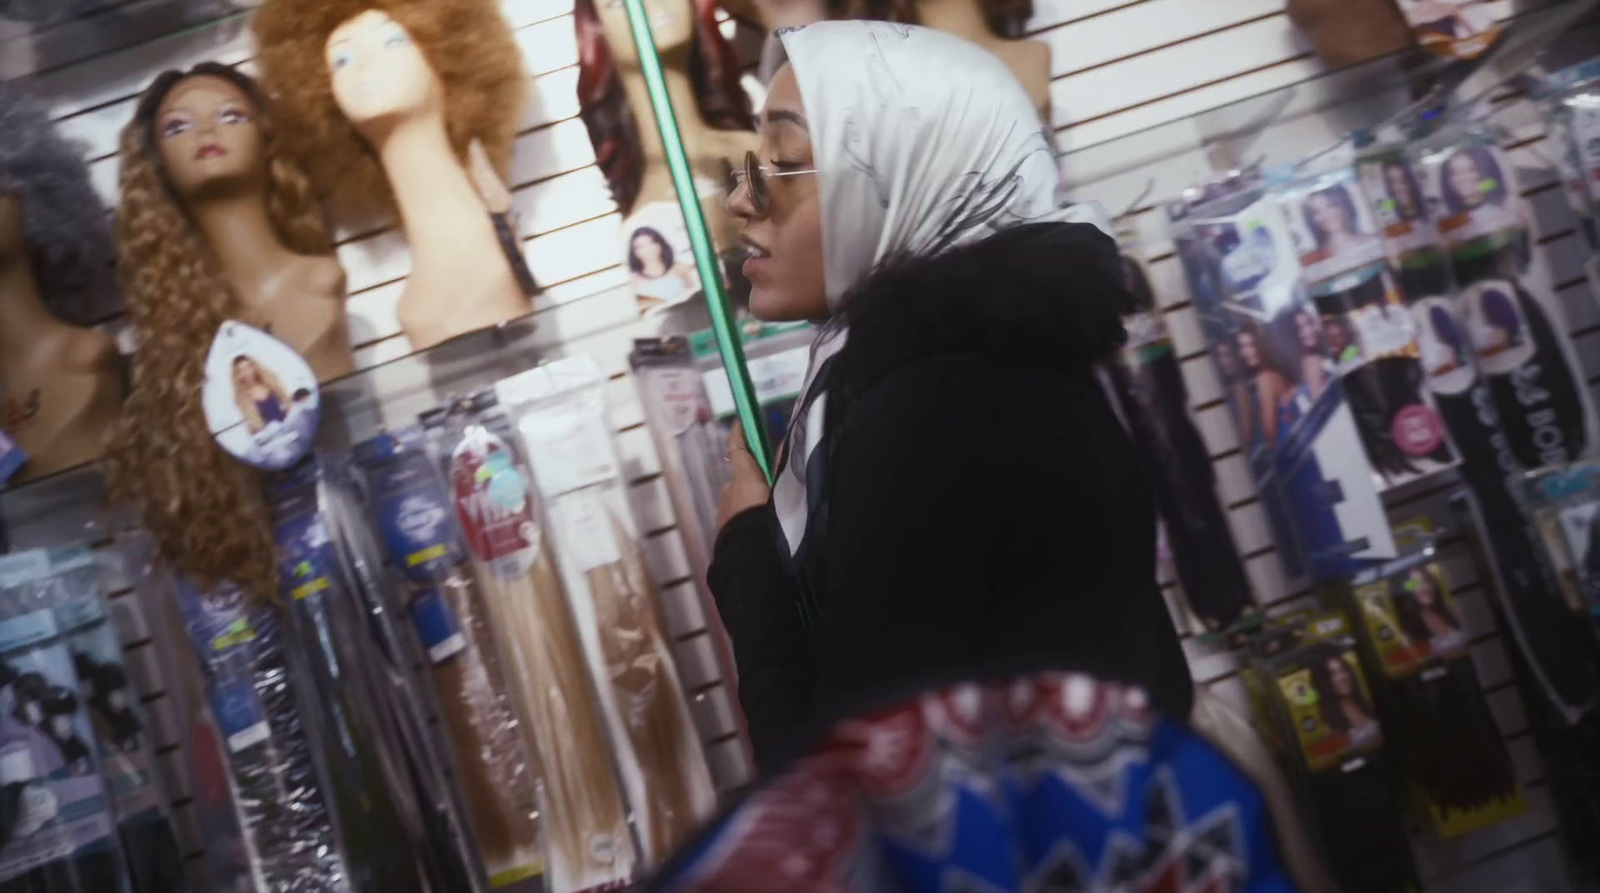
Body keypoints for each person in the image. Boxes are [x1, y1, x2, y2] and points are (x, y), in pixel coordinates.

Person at [709, 22, 1192, 771]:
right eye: (748, 165)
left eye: (785, 164)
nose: (743, 199)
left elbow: (861, 807)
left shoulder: (932, 420)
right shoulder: (981, 371)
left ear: (906, 176)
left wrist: (748, 560)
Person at [1311, 652, 1379, 748]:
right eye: (1333, 674)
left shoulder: (1367, 703)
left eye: (1343, 670)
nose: (1343, 677)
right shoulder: (1329, 727)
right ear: (1324, 681)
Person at [1392, 566, 1463, 653]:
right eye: (1415, 584)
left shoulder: (1452, 612)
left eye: (1426, 581)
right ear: (1406, 592)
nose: (1424, 587)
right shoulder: (1408, 632)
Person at [1300, 184, 1376, 263]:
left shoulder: (1373, 241)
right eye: (1317, 212)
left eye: (1331, 206)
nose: (1326, 215)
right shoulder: (1311, 258)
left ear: (1344, 205)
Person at [627, 225, 699, 308]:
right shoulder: (634, 279)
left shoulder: (679, 268)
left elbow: (695, 298)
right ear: (634, 252)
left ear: (660, 244)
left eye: (651, 243)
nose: (647, 249)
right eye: (640, 247)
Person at [231, 354, 289, 436]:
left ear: (255, 366)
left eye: (249, 367)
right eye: (242, 370)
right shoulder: (242, 399)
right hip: (271, 438)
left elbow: (288, 403)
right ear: (238, 375)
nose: (248, 372)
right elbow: (254, 427)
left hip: (289, 426)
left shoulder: (271, 382)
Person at [1291, 306, 1332, 398]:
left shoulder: (1311, 357)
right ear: (1296, 334)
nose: (1309, 330)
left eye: (1309, 323)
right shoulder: (1312, 361)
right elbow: (1321, 401)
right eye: (1301, 328)